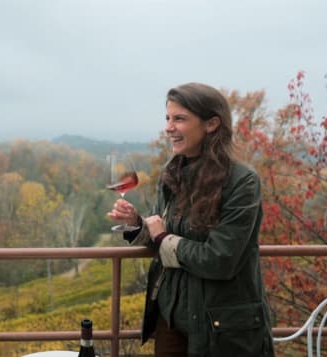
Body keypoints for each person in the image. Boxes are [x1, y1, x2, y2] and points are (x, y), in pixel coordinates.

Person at [108, 82, 275, 356]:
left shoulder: (242, 182)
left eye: (180, 119)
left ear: (211, 124)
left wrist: (163, 236)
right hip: (171, 320)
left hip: (220, 328)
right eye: (168, 118)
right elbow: (162, 241)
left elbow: (220, 260)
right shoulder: (172, 173)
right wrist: (138, 225)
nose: (169, 127)